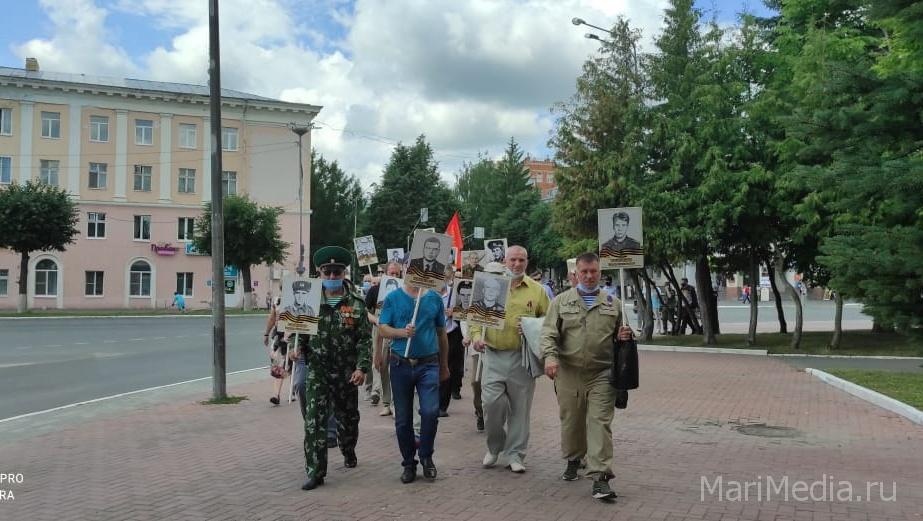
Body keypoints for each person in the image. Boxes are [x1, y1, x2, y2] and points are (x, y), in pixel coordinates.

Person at [540, 251, 633, 501]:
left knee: (599, 422)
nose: (589, 276)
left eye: (594, 272)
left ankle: (600, 477)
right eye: (585, 272)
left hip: (602, 373)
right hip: (568, 372)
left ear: (600, 273)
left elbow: (622, 337)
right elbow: (548, 334)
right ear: (576, 273)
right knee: (572, 421)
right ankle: (574, 458)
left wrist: (624, 336)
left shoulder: (613, 303)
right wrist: (550, 358)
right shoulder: (561, 301)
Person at [467, 246, 549, 474]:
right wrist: (476, 338)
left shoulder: (537, 291)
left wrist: (532, 327)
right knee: (491, 404)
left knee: (520, 410)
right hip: (492, 355)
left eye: (521, 260)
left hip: (522, 357)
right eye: (513, 259)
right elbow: (475, 319)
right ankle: (495, 446)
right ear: (505, 261)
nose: (517, 264)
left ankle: (515, 454)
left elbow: (549, 321)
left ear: (527, 262)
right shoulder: (490, 285)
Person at [298, 246, 371, 491]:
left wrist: (361, 368)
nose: (331, 276)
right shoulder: (308, 300)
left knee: (348, 419)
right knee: (314, 421)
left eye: (336, 272)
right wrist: (295, 348)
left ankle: (348, 449)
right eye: (326, 272)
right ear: (319, 272)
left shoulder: (356, 304)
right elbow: (298, 333)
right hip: (317, 371)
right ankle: (315, 471)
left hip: (346, 373)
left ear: (344, 273)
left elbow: (364, 339)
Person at [378, 276, 450, 484]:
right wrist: (401, 332)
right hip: (400, 363)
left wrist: (444, 365)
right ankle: (409, 462)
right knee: (403, 419)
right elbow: (383, 327)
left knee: (430, 412)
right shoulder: (393, 298)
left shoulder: (434, 298)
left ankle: (426, 455)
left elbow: (441, 333)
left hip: (428, 363)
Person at [365, 261, 403, 417]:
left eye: (397, 274)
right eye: (391, 273)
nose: (394, 276)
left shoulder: (404, 291)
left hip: (397, 331)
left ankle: (396, 404)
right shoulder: (375, 290)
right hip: (380, 330)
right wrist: (376, 320)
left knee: (397, 367)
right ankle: (386, 402)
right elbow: (365, 312)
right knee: (382, 365)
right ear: (385, 274)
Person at [438, 267, 466, 416]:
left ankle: (442, 405)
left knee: (447, 368)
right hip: (434, 335)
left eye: (443, 276)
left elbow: (468, 311)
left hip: (452, 335)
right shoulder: (428, 294)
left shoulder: (456, 293)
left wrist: (454, 312)